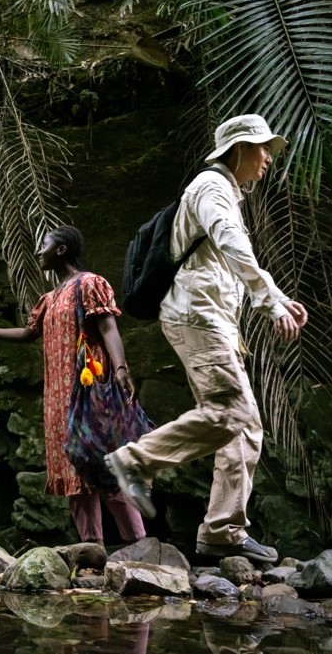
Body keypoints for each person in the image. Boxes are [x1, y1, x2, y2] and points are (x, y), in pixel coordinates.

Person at [105, 114, 309, 564]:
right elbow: (232, 243)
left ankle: (221, 531)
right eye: (261, 149)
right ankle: (135, 461)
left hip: (213, 322)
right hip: (198, 320)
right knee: (233, 413)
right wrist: (270, 301)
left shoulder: (223, 193)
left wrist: (273, 296)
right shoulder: (210, 189)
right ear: (237, 149)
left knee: (245, 425)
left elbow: (226, 259)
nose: (268, 159)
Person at [0, 226, 151, 547]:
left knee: (104, 470)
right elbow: (27, 334)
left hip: (88, 393)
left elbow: (108, 328)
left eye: (44, 245)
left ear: (61, 250)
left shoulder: (89, 284)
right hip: (57, 401)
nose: (39, 252)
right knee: (73, 476)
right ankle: (92, 552)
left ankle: (142, 547)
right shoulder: (48, 299)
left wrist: (120, 367)